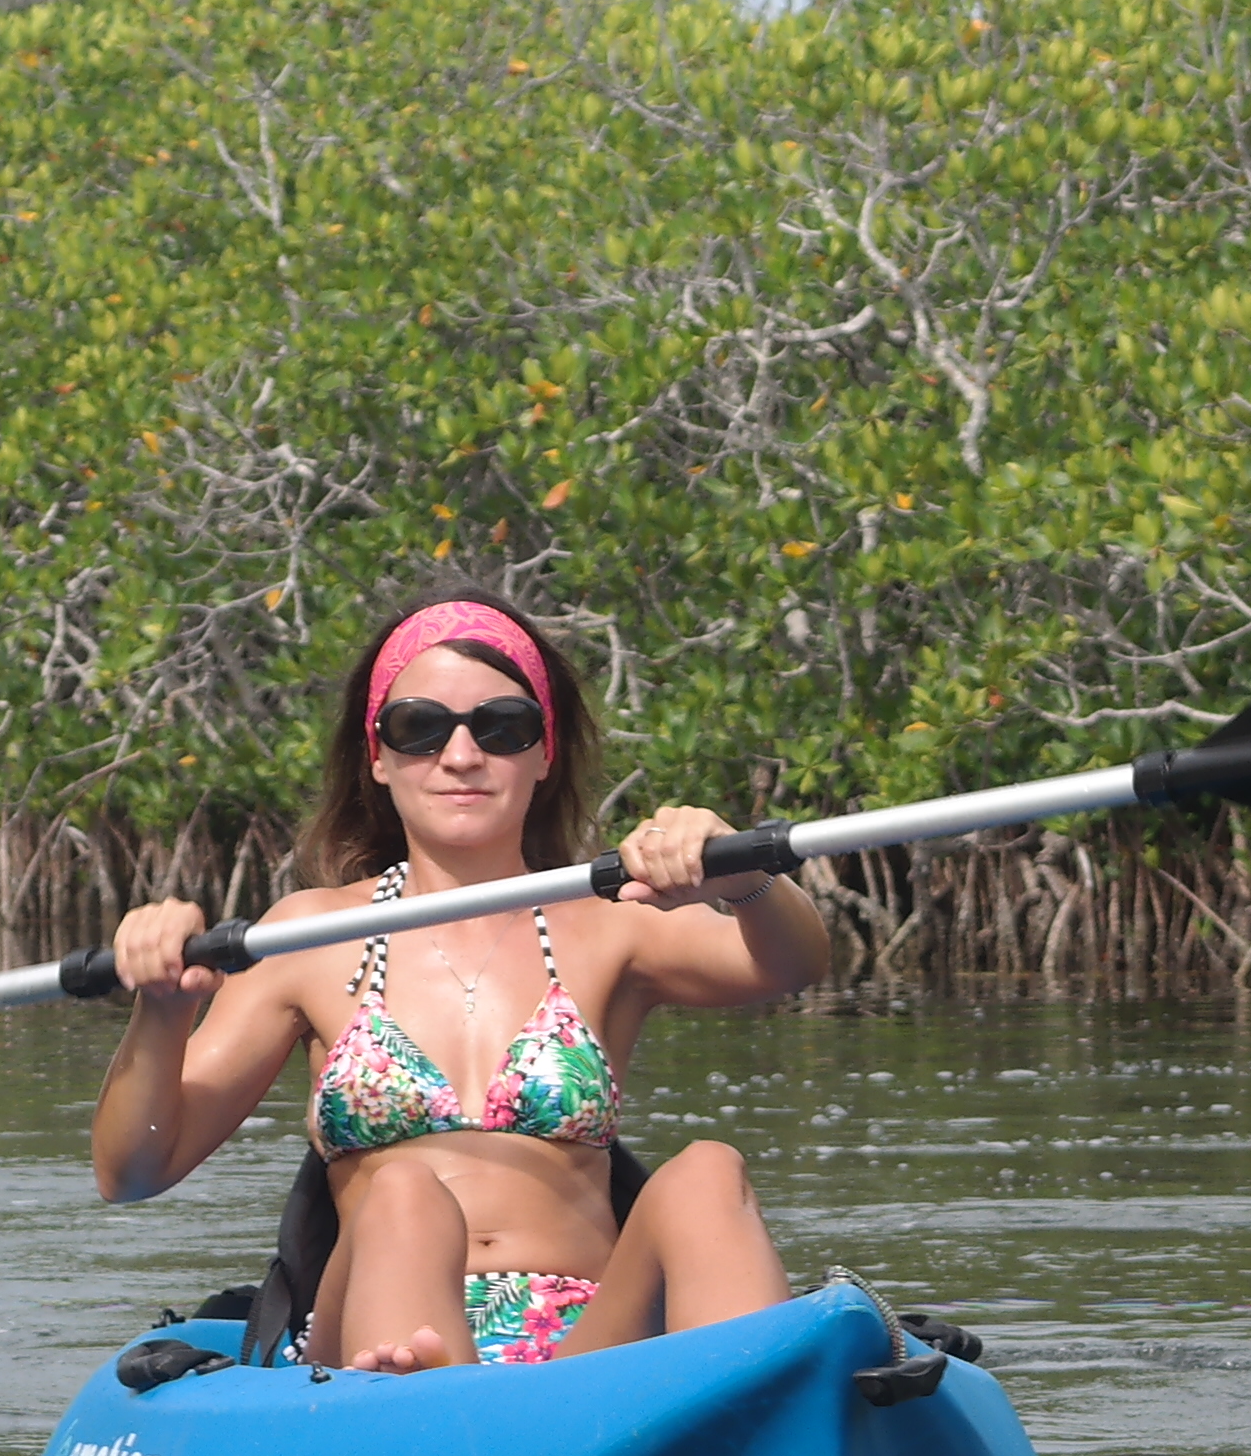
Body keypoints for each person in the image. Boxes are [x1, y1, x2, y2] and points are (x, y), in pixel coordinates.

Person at [89, 585, 823, 1371]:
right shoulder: (304, 936)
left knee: (709, 1172)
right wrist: (162, 1013)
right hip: (385, 1333)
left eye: (502, 727)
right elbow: (134, 1170)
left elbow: (790, 963)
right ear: (377, 755)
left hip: (587, 1348)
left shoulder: (614, 921)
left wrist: (737, 872)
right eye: (420, 727)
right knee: (402, 1193)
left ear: (545, 753)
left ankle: (754, 1423)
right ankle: (429, 1427)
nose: (462, 755)